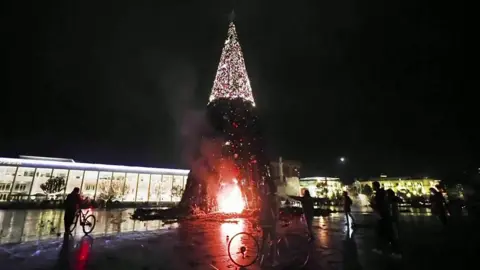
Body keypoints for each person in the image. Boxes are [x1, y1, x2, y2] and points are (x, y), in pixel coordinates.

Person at [371, 181, 400, 258]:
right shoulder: (383, 194)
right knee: (383, 233)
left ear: (375, 186)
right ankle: (381, 248)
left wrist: (373, 205)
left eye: (373, 186)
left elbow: (379, 205)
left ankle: (396, 252)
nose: (372, 187)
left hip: (382, 216)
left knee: (386, 233)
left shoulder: (379, 194)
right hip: (384, 216)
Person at [258, 191, 278, 266]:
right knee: (273, 241)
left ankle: (260, 259)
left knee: (264, 240)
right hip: (270, 223)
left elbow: (261, 211)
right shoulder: (272, 200)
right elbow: (274, 213)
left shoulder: (265, 200)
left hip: (265, 223)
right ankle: (272, 261)